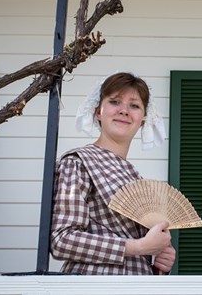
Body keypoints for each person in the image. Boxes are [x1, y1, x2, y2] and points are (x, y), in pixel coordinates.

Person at [51, 72, 175, 275]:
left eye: (134, 105)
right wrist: (138, 247)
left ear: (142, 120)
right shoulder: (78, 162)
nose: (124, 111)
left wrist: (159, 263)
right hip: (94, 285)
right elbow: (62, 240)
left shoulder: (135, 178)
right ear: (98, 112)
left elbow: (139, 255)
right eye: (115, 101)